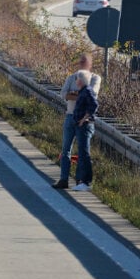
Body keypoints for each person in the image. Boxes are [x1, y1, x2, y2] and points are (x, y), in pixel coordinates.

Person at [54, 53, 101, 189]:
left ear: (90, 64)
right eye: (80, 62)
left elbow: (92, 95)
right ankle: (64, 179)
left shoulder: (94, 78)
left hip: (83, 120)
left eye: (84, 62)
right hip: (70, 116)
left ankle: (80, 180)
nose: (81, 64)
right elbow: (64, 94)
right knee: (65, 149)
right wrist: (79, 95)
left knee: (82, 151)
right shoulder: (72, 77)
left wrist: (74, 94)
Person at [70, 70, 99, 191]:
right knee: (82, 153)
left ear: (81, 80)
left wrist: (84, 119)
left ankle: (87, 182)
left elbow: (94, 105)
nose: (76, 81)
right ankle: (83, 181)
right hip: (80, 126)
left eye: (77, 79)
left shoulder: (87, 91)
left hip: (85, 126)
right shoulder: (82, 91)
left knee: (84, 154)